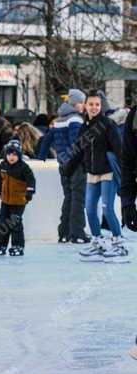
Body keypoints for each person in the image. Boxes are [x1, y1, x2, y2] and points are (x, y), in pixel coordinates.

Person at [65, 92, 128, 262]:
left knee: (107, 208)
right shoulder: (84, 127)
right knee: (90, 209)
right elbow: (78, 152)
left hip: (107, 172)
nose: (94, 107)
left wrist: (127, 173)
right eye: (91, 104)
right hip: (92, 173)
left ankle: (119, 244)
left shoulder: (108, 124)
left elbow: (119, 150)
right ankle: (98, 242)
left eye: (97, 105)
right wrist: (67, 171)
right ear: (85, 106)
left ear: (101, 107)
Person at [37, 101, 87, 243]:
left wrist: (42, 155)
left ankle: (64, 232)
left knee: (69, 197)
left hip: (62, 163)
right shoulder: (75, 119)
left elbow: (47, 138)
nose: (82, 105)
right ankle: (77, 233)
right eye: (81, 102)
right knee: (78, 198)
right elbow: (76, 142)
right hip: (75, 164)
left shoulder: (59, 120)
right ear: (74, 104)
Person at [0, 141, 35, 257]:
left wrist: (29, 192)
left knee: (15, 223)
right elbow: (0, 180)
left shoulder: (24, 167)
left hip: (19, 200)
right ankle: (1, 245)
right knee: (2, 223)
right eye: (9, 154)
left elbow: (31, 180)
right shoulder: (3, 165)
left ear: (19, 155)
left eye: (15, 154)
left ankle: (18, 245)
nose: (11, 157)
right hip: (5, 200)